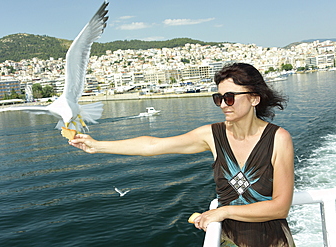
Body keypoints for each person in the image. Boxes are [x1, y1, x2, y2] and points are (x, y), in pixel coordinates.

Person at [69, 63, 295, 247]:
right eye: (219, 98)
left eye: (230, 97)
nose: (223, 105)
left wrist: (222, 211)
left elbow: (280, 206)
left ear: (254, 98)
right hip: (229, 240)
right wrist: (98, 146)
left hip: (273, 241)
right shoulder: (212, 135)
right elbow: (152, 145)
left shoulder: (278, 139)